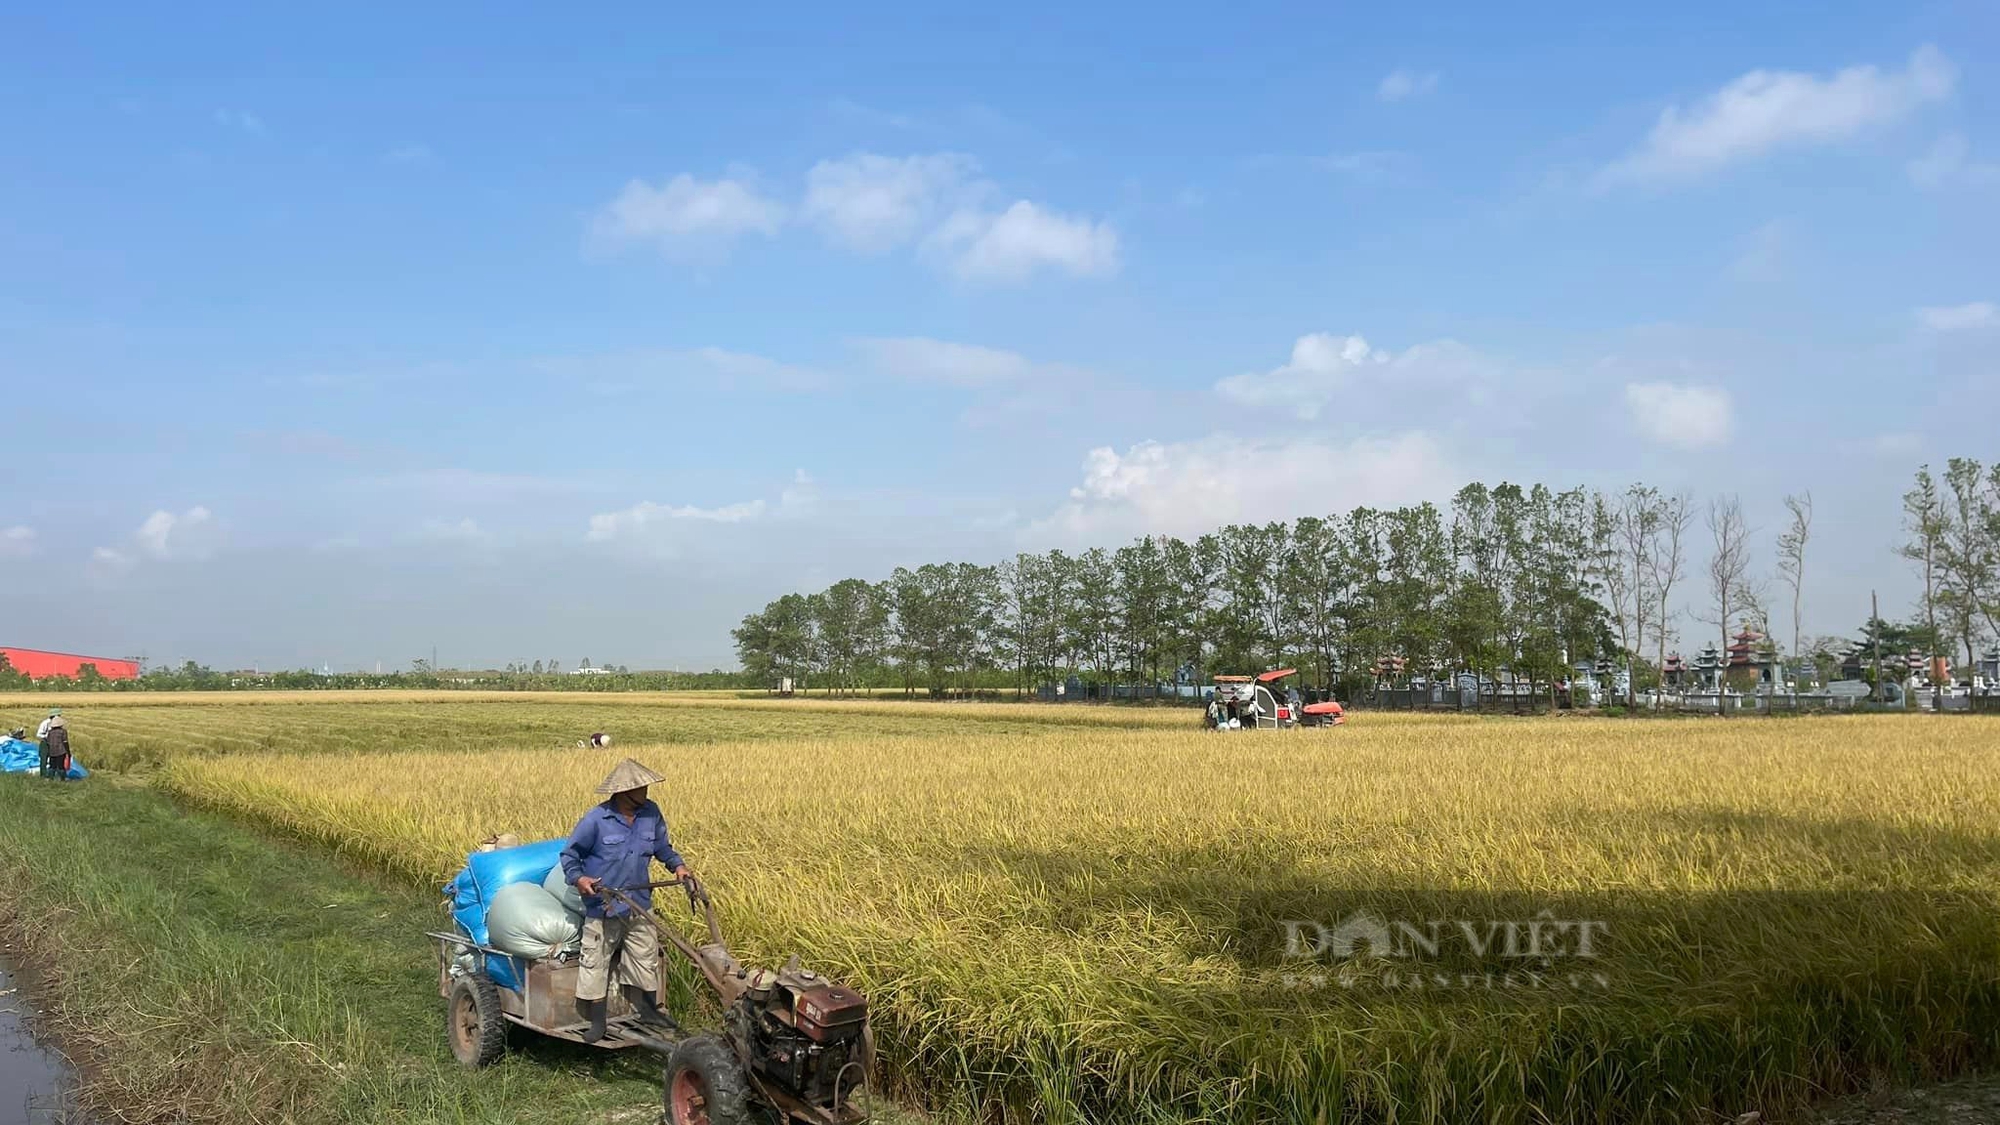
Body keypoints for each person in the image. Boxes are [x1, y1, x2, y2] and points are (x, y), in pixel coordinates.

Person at [558, 758, 694, 1042]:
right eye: (640, 788)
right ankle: (597, 1022)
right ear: (623, 792)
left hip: (639, 901)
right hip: (605, 904)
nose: (646, 791)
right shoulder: (597, 819)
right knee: (596, 960)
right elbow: (570, 856)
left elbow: (663, 848)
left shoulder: (651, 813)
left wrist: (678, 867)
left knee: (644, 955)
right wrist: (580, 879)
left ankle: (647, 1011)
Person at [39, 710, 71, 781]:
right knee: (61, 766)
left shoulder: (50, 732)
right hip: (60, 751)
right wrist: (68, 752)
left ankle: (51, 779)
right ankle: (63, 779)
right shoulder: (63, 731)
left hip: (52, 751)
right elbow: (65, 742)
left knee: (52, 766)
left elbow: (48, 740)